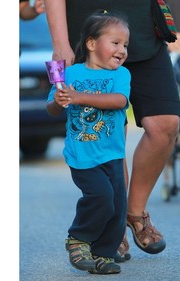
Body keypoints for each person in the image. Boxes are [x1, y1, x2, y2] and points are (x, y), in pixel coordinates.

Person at [44, 0, 180, 262]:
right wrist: (60, 43)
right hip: (89, 30)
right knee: (110, 126)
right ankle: (113, 227)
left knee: (165, 123)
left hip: (142, 30)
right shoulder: (81, 59)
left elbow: (123, 102)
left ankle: (134, 212)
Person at [46, 11, 131, 275]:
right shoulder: (69, 75)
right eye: (115, 43)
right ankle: (78, 237)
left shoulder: (121, 75)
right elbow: (51, 107)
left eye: (125, 45)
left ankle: (103, 253)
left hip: (112, 154)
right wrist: (58, 102)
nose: (122, 50)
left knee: (117, 208)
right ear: (92, 44)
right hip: (82, 154)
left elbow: (119, 101)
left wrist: (79, 97)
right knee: (101, 198)